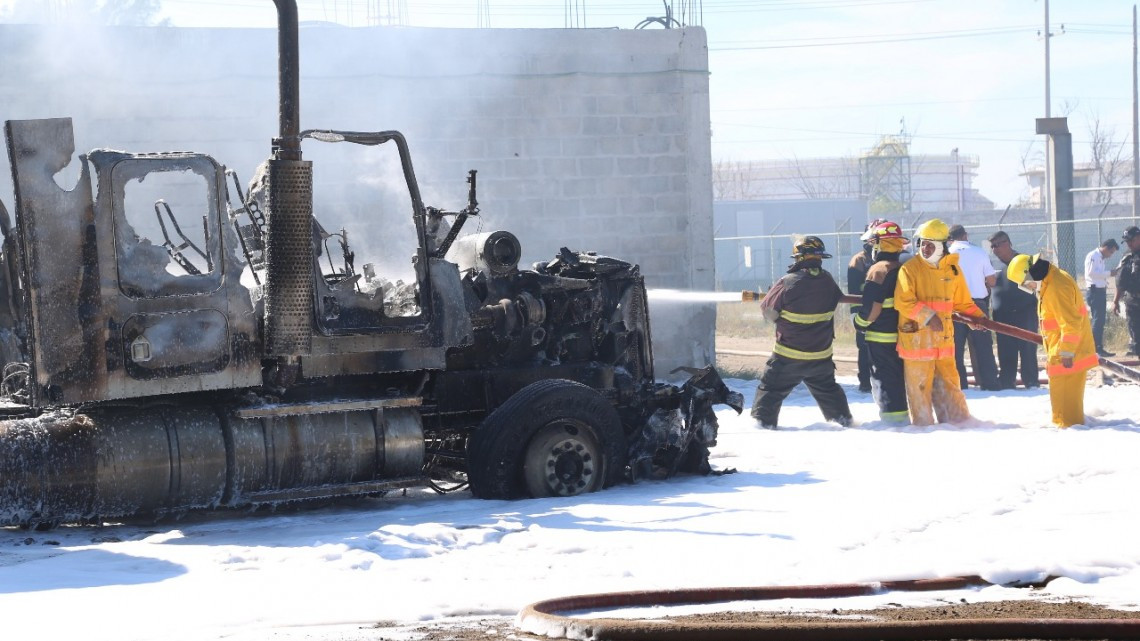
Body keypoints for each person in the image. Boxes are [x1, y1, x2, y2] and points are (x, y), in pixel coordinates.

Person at [751, 236, 852, 429]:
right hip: (821, 356)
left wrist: (779, 315)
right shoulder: (827, 279)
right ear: (820, 257)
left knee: (770, 390)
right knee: (828, 390)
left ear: (798, 257)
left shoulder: (787, 281)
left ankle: (762, 427)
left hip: (788, 356)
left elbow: (769, 312)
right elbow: (836, 298)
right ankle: (844, 422)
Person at [893, 218, 987, 426]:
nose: (924, 248)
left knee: (951, 386)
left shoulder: (953, 270)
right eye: (922, 244)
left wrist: (977, 317)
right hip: (917, 344)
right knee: (919, 390)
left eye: (930, 244)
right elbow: (903, 301)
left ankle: (959, 423)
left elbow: (963, 302)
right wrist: (927, 316)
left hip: (943, 344)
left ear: (942, 246)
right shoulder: (910, 269)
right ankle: (923, 428)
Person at [1007, 253, 1097, 427]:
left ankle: (1072, 440)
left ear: (1030, 273)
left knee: (1068, 418)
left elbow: (1070, 323)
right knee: (1062, 412)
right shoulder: (1052, 280)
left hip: (1067, 357)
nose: (1027, 287)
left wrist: (1067, 352)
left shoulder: (1056, 287)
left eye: (1025, 282)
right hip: (1062, 353)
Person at [853, 220, 909, 424]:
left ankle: (893, 422)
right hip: (904, 335)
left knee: (885, 380)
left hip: (881, 337)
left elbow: (872, 309)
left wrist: (859, 323)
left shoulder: (878, 270)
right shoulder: (905, 268)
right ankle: (904, 418)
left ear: (877, 244)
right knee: (901, 378)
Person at [947, 224, 1000, 391]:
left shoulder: (947, 255)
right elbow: (992, 281)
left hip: (954, 306)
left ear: (950, 238)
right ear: (965, 235)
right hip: (977, 305)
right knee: (983, 346)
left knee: (955, 348)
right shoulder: (979, 252)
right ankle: (990, 383)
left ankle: (959, 384)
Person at [987, 230, 1039, 389]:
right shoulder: (993, 265)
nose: (994, 250)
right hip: (1002, 317)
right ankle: (1007, 381)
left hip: (1024, 314)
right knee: (1005, 352)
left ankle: (1031, 382)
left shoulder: (1024, 261)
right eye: (992, 247)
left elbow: (1034, 287)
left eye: (997, 245)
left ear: (1007, 243)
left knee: (1027, 350)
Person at [848, 229, 874, 393]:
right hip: (864, 312)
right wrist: (855, 313)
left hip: (886, 313)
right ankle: (865, 382)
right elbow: (853, 291)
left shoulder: (889, 257)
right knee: (864, 348)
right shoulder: (859, 260)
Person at [1083, 238, 1119, 357]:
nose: (1110, 255)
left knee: (1100, 320)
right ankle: (1096, 348)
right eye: (1111, 252)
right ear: (1106, 248)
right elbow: (1091, 273)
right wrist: (1109, 273)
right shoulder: (1093, 256)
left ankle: (1097, 347)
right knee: (1098, 320)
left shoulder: (1100, 258)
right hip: (1095, 292)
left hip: (1099, 291)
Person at [1114, 226, 1140, 357]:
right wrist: (1116, 301)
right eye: (1127, 241)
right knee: (1136, 334)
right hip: (1132, 301)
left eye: (1132, 240)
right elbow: (1120, 281)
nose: (1129, 243)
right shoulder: (1127, 257)